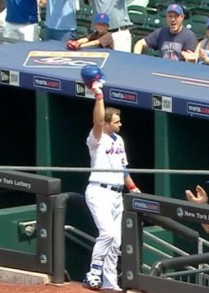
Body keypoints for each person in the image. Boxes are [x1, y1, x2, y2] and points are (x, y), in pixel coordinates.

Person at [81, 65, 141, 291]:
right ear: (107, 123)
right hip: (99, 191)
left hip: (117, 193)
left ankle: (110, 283)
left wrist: (133, 188)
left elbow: (123, 167)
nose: (120, 124)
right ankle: (93, 271)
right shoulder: (97, 139)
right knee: (107, 233)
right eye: (116, 121)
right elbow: (97, 122)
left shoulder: (119, 140)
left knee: (115, 242)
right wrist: (98, 96)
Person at [133, 3, 198, 61]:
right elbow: (140, 43)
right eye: (170, 16)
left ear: (182, 17)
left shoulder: (189, 36)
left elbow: (191, 61)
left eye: (176, 16)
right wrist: (136, 59)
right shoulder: (161, 32)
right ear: (166, 18)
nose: (173, 19)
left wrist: (189, 59)